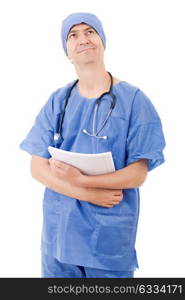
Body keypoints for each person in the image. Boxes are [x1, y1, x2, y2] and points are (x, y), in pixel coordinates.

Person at [20, 12, 166, 278]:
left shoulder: (134, 101)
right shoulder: (58, 101)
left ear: (102, 41)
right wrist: (86, 193)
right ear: (67, 50)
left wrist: (81, 180)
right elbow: (37, 168)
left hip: (107, 242)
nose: (83, 39)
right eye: (73, 35)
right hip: (59, 240)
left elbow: (138, 174)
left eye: (90, 32)